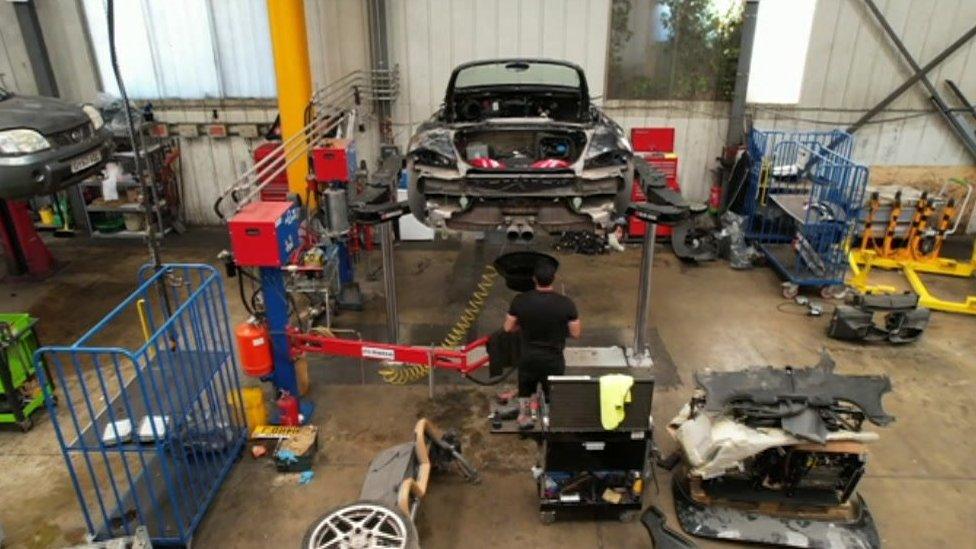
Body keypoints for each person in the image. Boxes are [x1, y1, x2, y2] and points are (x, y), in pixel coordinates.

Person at [504, 261, 581, 428]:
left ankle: (525, 418)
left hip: (528, 358)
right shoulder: (566, 303)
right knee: (552, 395)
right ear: (553, 279)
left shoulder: (520, 300)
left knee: (525, 391)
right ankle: (550, 423)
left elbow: (508, 327)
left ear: (534, 279)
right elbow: (576, 333)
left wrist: (524, 325)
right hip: (553, 359)